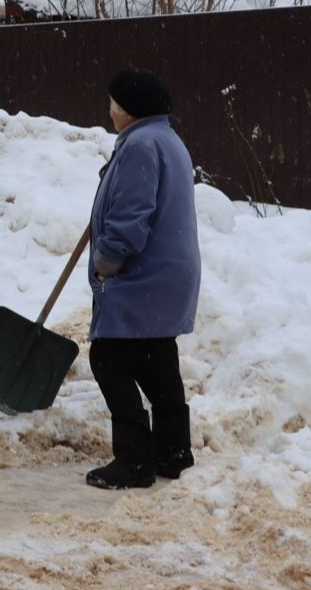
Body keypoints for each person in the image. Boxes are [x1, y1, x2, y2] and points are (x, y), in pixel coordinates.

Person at [85, 68, 201, 490]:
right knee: (155, 356)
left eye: (113, 103)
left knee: (109, 358)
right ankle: (172, 452)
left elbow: (131, 219)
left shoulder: (139, 146)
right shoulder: (167, 139)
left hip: (142, 274)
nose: (109, 110)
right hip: (170, 273)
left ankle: (134, 461)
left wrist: (105, 263)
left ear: (127, 108)